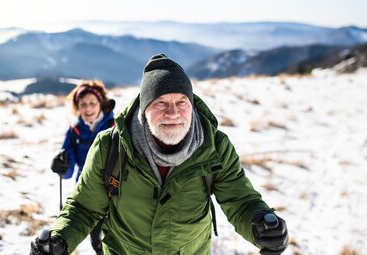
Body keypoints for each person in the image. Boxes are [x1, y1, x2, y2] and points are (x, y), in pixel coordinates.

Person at [31, 54, 288, 255]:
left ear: (191, 104)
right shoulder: (111, 146)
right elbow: (84, 207)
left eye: (181, 102)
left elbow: (240, 200)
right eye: (161, 103)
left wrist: (260, 225)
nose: (173, 113)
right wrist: (60, 238)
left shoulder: (215, 147)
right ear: (144, 110)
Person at [51, 80, 115, 255]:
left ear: (100, 103)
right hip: (88, 193)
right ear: (77, 107)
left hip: (116, 192)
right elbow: (69, 171)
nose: (88, 109)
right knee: (97, 242)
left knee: (116, 241)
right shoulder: (74, 132)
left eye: (92, 103)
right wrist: (61, 166)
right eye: (83, 104)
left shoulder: (115, 127)